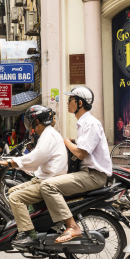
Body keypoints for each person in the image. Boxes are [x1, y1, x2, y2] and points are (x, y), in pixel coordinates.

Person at [39, 86, 112, 244]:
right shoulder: (83, 123)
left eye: (70, 100)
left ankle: (72, 226)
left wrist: (66, 141)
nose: (67, 103)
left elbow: (81, 153)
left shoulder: (90, 123)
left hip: (93, 176)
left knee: (47, 186)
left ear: (79, 103)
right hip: (86, 173)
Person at [0, 105, 68, 247]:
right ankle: (30, 222)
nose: (29, 125)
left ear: (36, 122)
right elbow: (35, 162)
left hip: (49, 181)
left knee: (15, 198)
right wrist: (15, 161)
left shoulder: (48, 135)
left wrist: (9, 162)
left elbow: (35, 159)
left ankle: (30, 234)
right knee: (12, 191)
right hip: (44, 177)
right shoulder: (46, 134)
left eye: (30, 121)